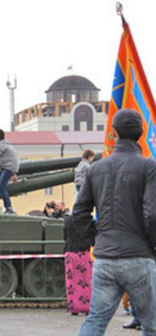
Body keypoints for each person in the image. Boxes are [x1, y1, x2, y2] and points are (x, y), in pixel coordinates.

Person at [75, 109, 156, 335]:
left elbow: (79, 212)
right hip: (139, 256)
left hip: (105, 258)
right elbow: (152, 214)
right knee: (152, 325)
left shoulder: (95, 168)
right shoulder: (148, 167)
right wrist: (152, 245)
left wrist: (97, 238)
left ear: (114, 133)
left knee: (95, 321)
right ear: (141, 133)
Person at [63, 214, 95, 316]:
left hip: (70, 252)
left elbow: (65, 236)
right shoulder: (88, 220)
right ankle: (87, 307)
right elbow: (94, 235)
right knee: (86, 280)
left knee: (71, 281)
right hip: (84, 252)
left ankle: (74, 307)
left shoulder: (67, 219)